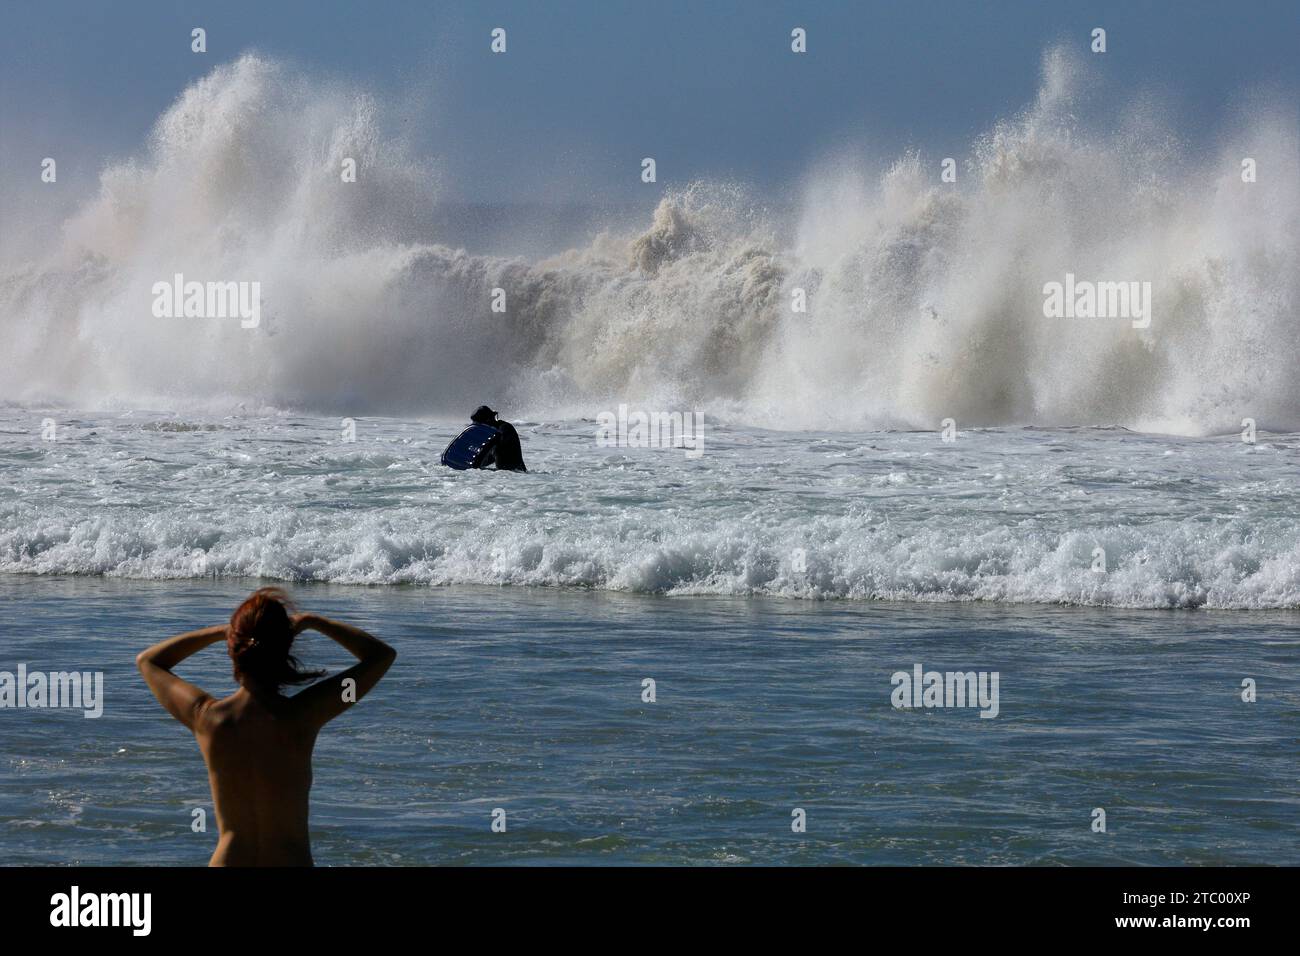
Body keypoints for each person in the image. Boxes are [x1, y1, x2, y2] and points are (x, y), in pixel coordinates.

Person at [136, 588, 396, 866]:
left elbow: (149, 661)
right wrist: (313, 622)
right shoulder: (305, 715)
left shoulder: (208, 719)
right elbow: (380, 656)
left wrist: (221, 632)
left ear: (234, 648)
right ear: (286, 648)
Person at [470, 404, 527, 471]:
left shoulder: (504, 428)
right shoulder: (494, 433)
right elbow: (488, 457)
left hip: (515, 474)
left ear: (488, 420)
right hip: (507, 476)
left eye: (479, 424)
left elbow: (495, 444)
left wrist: (475, 465)